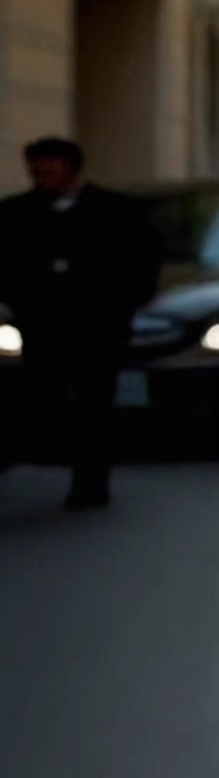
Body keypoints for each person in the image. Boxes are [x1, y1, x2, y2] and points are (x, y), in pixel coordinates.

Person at [0, 137, 160, 509]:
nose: (41, 177)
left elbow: (143, 262)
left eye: (49, 170)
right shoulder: (15, 213)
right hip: (40, 328)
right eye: (36, 171)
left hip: (97, 329)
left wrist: (122, 305)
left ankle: (90, 482)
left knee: (94, 403)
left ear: (71, 169)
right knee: (44, 396)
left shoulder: (117, 212)